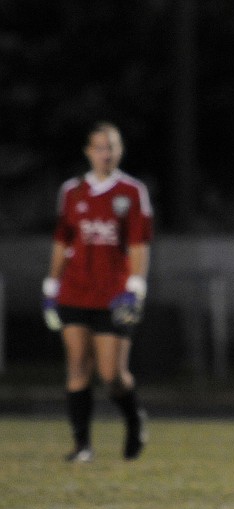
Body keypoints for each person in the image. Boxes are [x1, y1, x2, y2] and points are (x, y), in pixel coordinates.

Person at [42, 121, 152, 462]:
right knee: (77, 366)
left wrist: (135, 285)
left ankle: (134, 421)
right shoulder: (72, 191)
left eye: (112, 147)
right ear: (89, 152)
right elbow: (63, 240)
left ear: (120, 151)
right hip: (75, 291)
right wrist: (51, 283)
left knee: (112, 375)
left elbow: (138, 243)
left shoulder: (132, 192)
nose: (106, 154)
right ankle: (82, 446)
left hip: (114, 294)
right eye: (100, 147)